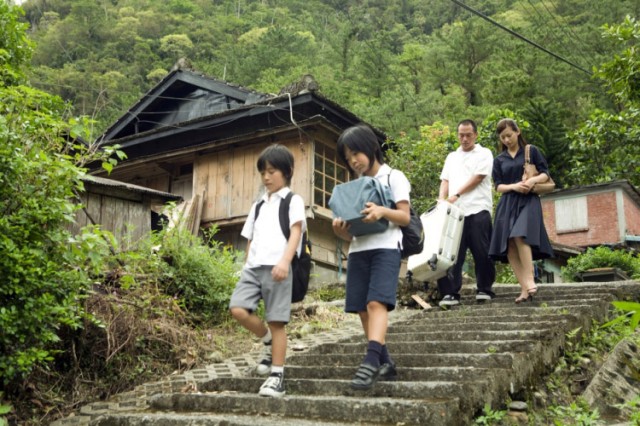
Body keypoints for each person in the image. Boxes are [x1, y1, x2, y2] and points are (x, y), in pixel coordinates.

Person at [331, 123, 411, 390]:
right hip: (358, 251)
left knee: (377, 303)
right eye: (348, 156)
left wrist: (382, 211)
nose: (353, 160)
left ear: (371, 148)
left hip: (386, 248)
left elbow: (404, 216)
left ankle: (370, 361)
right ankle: (385, 362)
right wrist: (341, 231)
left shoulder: (393, 177)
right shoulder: (353, 187)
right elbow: (351, 235)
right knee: (363, 309)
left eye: (356, 152)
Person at [229, 144, 306, 398]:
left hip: (278, 267)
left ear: (287, 171)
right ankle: (267, 341)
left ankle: (277, 376)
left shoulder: (293, 200)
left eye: (272, 171)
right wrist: (246, 263)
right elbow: (250, 236)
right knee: (238, 308)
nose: (266, 177)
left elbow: (296, 231)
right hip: (253, 268)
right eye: (263, 172)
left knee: (276, 321)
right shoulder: (258, 205)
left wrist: (285, 261)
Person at [489, 119, 554, 303]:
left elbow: (545, 173)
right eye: (503, 137)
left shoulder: (530, 151)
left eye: (509, 135)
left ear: (517, 132)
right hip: (508, 202)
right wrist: (514, 186)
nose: (507, 140)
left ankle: (530, 279)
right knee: (509, 245)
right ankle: (525, 289)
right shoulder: (499, 160)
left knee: (520, 235)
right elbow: (498, 186)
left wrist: (532, 181)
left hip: (528, 200)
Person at [437, 119, 496, 308]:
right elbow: (444, 180)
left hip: (478, 208)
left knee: (482, 251)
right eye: (461, 135)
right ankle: (451, 293)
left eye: (468, 135)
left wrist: (456, 194)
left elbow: (478, 177)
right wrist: (441, 199)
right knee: (452, 253)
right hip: (455, 213)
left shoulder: (484, 153)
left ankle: (484, 288)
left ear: (475, 135)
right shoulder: (451, 157)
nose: (464, 139)